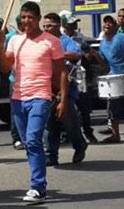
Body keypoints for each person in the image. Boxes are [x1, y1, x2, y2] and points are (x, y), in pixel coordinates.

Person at [0, 2, 68, 203]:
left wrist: (63, 98)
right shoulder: (15, 41)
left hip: (41, 96)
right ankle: (38, 183)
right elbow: (4, 67)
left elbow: (62, 71)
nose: (26, 21)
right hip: (18, 98)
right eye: (23, 17)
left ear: (37, 18)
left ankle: (38, 186)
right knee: (29, 144)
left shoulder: (51, 41)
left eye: (30, 17)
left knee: (34, 139)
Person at [42, 13, 88, 166]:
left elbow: (76, 54)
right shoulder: (42, 42)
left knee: (69, 121)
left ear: (58, 26)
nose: (46, 29)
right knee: (49, 123)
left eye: (50, 26)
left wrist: (58, 54)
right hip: (47, 88)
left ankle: (79, 145)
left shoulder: (65, 41)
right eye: (45, 26)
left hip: (65, 88)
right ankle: (51, 155)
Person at [88, 16, 124, 145]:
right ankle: (115, 135)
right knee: (113, 108)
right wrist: (94, 55)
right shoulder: (103, 43)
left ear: (115, 26)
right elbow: (104, 62)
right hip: (115, 78)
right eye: (105, 22)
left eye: (110, 22)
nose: (106, 24)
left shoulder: (122, 38)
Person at [60, 12, 98, 143]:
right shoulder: (60, 38)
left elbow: (87, 51)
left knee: (84, 105)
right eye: (71, 23)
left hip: (79, 75)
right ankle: (66, 135)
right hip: (65, 75)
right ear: (64, 25)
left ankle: (88, 132)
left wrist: (87, 55)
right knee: (67, 105)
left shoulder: (80, 37)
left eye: (75, 23)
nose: (74, 25)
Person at [5, 15, 24, 150]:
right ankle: (16, 138)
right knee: (15, 109)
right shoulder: (10, 37)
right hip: (15, 79)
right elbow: (7, 58)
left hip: (31, 80)